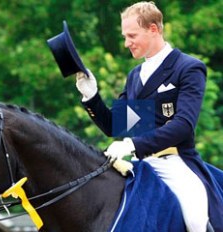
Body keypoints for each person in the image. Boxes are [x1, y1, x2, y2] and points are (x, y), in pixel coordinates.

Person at [75, 1, 223, 232]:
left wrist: (133, 144)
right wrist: (91, 96)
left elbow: (183, 126)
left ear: (153, 29)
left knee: (197, 220)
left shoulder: (187, 68)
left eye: (131, 35)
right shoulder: (135, 76)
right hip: (142, 165)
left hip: (176, 162)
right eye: (124, 36)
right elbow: (116, 125)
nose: (126, 43)